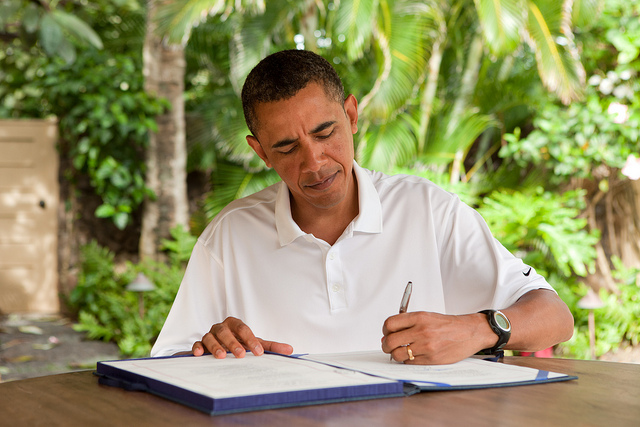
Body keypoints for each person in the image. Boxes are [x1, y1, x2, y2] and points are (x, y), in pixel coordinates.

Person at [150, 49, 574, 364]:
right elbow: (169, 364)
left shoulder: (426, 209)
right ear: (261, 153)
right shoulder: (230, 236)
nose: (314, 162)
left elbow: (556, 317)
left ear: (352, 115)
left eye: (325, 132)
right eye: (286, 146)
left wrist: (478, 329)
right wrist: (207, 348)